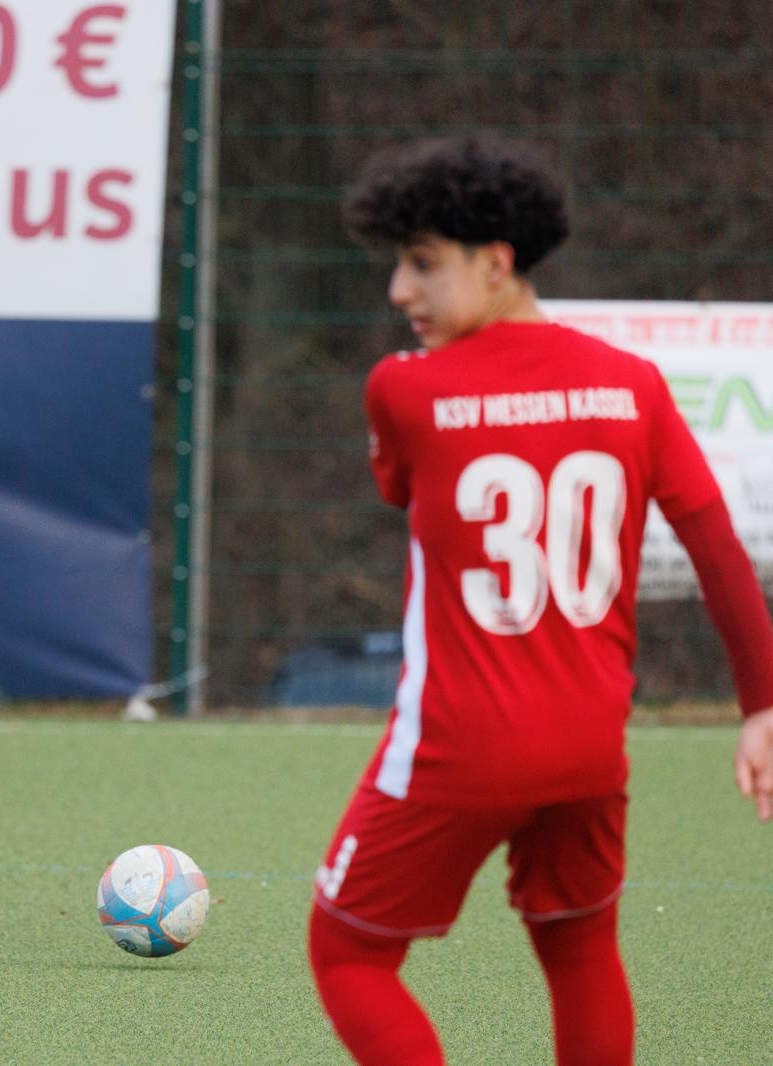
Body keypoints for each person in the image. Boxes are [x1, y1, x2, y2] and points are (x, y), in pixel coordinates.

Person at [308, 137, 773, 1064]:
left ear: (496, 262)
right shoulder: (634, 384)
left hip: (460, 744)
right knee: (580, 947)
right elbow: (717, 546)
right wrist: (762, 703)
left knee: (348, 953)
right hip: (592, 744)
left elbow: (399, 487)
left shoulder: (403, 388)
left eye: (422, 263)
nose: (399, 290)